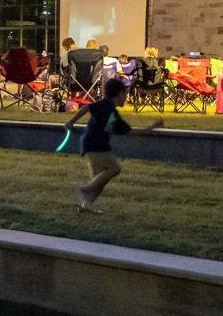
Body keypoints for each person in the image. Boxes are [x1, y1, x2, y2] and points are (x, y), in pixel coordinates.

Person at [63, 78, 162, 214]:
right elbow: (87, 107)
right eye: (126, 93)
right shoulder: (106, 105)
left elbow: (128, 132)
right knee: (114, 169)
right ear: (120, 93)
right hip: (97, 145)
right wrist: (70, 122)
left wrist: (150, 128)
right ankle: (86, 189)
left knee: (100, 180)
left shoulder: (112, 113)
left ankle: (86, 205)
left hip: (90, 144)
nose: (126, 97)